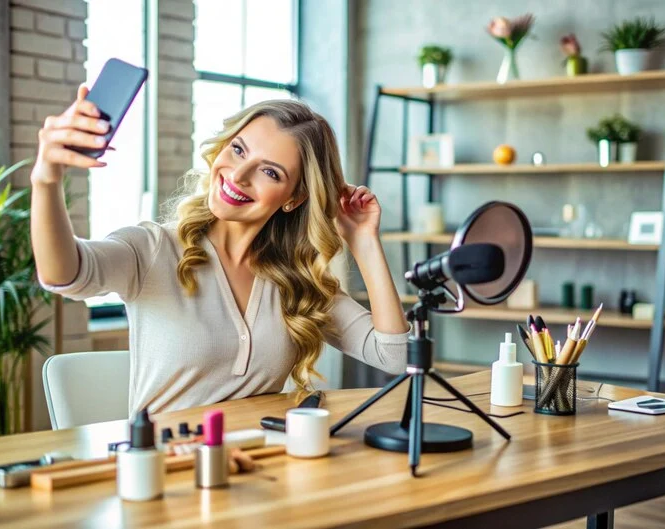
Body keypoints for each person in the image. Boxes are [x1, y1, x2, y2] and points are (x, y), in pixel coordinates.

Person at [31, 85, 409, 416]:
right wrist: (46, 179)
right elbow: (65, 274)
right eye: (238, 149)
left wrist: (364, 242)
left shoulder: (297, 282)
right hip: (163, 476)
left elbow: (393, 355)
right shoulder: (152, 249)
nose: (238, 175)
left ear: (294, 198)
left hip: (256, 474)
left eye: (270, 172)